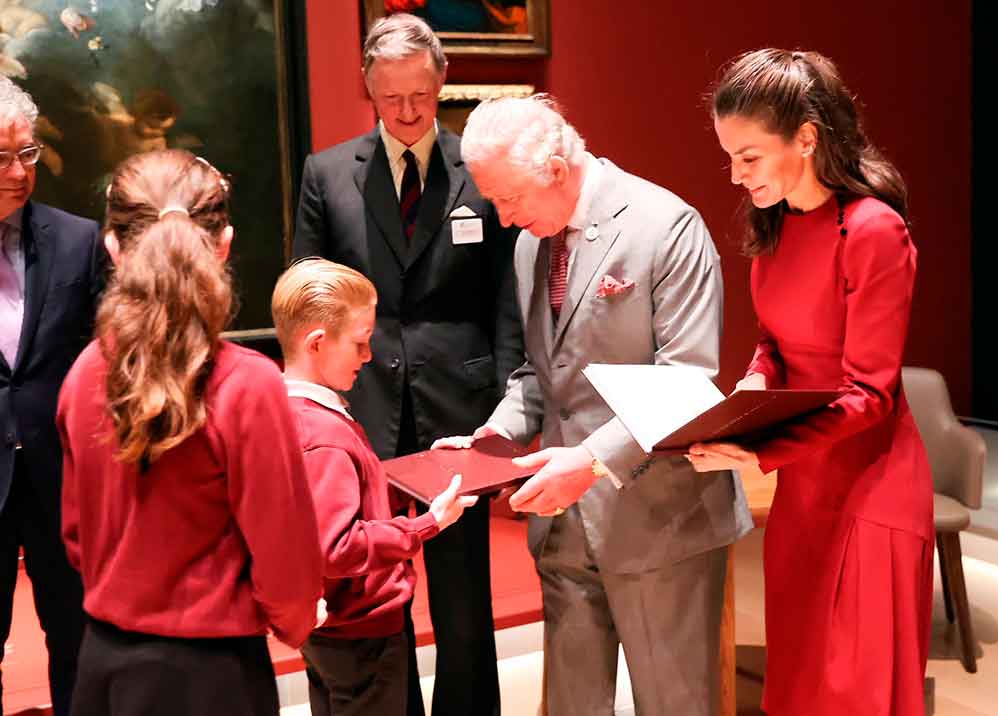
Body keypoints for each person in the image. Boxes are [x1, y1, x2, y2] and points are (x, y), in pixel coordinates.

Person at [449, 94, 752, 715]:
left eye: (510, 199)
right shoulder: (533, 243)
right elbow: (542, 370)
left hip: (661, 524)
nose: (503, 218)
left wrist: (587, 463)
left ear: (557, 170)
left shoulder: (666, 227)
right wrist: (495, 435)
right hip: (563, 532)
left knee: (673, 705)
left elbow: (686, 380)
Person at [691, 49, 934, 715]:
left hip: (872, 489)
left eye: (750, 156)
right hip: (805, 486)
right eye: (730, 158)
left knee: (854, 688)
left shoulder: (873, 230)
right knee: (799, 682)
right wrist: (750, 390)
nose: (738, 176)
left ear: (805, 138)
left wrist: (762, 450)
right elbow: (776, 341)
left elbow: (870, 395)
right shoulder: (777, 223)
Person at [292, 13, 522, 716]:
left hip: (460, 406)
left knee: (463, 600)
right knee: (369, 593)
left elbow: (506, 298)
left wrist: (509, 406)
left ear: (442, 80)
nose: (408, 111)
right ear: (369, 90)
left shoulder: (479, 171)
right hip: (360, 406)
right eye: (390, 98)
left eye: (419, 94)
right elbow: (305, 296)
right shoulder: (328, 175)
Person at [56, 149, 323, 716]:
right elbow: (285, 556)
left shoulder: (82, 376)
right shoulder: (246, 384)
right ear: (223, 243)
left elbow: (77, 539)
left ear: (113, 249)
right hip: (214, 678)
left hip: (102, 668)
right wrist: (295, 620)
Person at [272, 257, 479, 716]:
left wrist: (420, 474)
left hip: (332, 630)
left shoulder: (288, 411)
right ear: (317, 343)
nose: (369, 357)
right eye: (361, 343)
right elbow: (338, 545)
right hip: (359, 632)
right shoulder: (322, 433)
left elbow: (349, 495)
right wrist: (428, 524)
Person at [0, 76, 104, 716]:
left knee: (77, 644)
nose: (17, 172)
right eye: (0, 158)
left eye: (27, 153)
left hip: (62, 480)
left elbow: (106, 362)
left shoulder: (78, 239)